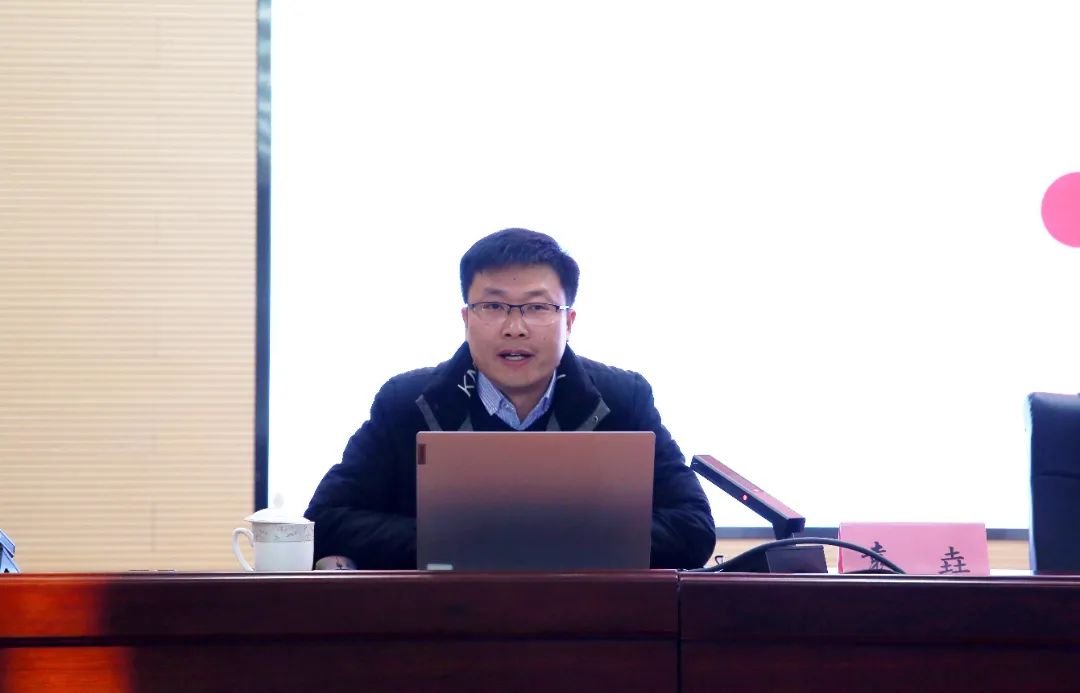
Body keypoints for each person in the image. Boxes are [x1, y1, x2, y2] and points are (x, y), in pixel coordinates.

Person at [305, 228, 715, 569]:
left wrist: (543, 539)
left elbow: (693, 527)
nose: (514, 327)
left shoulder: (622, 400)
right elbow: (326, 520)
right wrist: (451, 541)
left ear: (569, 321)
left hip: (585, 624)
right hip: (444, 624)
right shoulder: (407, 403)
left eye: (537, 307)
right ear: (466, 318)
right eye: (493, 306)